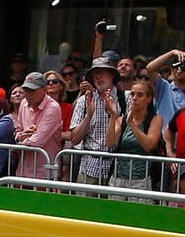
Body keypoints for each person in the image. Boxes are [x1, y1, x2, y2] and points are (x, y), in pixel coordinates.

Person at [65, 57, 122, 185]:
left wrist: (113, 114)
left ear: (112, 74)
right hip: (89, 168)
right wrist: (89, 116)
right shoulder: (84, 101)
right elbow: (74, 139)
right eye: (95, 73)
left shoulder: (127, 98)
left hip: (118, 170)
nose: (98, 76)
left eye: (102, 71)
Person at [106, 77, 165, 192]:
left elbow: (149, 145)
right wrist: (113, 116)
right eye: (132, 94)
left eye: (140, 95)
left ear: (149, 99)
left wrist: (131, 124)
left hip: (142, 180)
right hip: (118, 178)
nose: (134, 98)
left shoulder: (156, 119)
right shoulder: (122, 120)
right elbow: (110, 143)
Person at [11, 71, 63, 180]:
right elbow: (18, 130)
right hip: (22, 171)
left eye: (32, 91)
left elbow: (37, 141)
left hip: (44, 173)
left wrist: (19, 143)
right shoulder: (23, 103)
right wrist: (19, 137)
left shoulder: (53, 107)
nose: (28, 94)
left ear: (44, 90)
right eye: (26, 90)